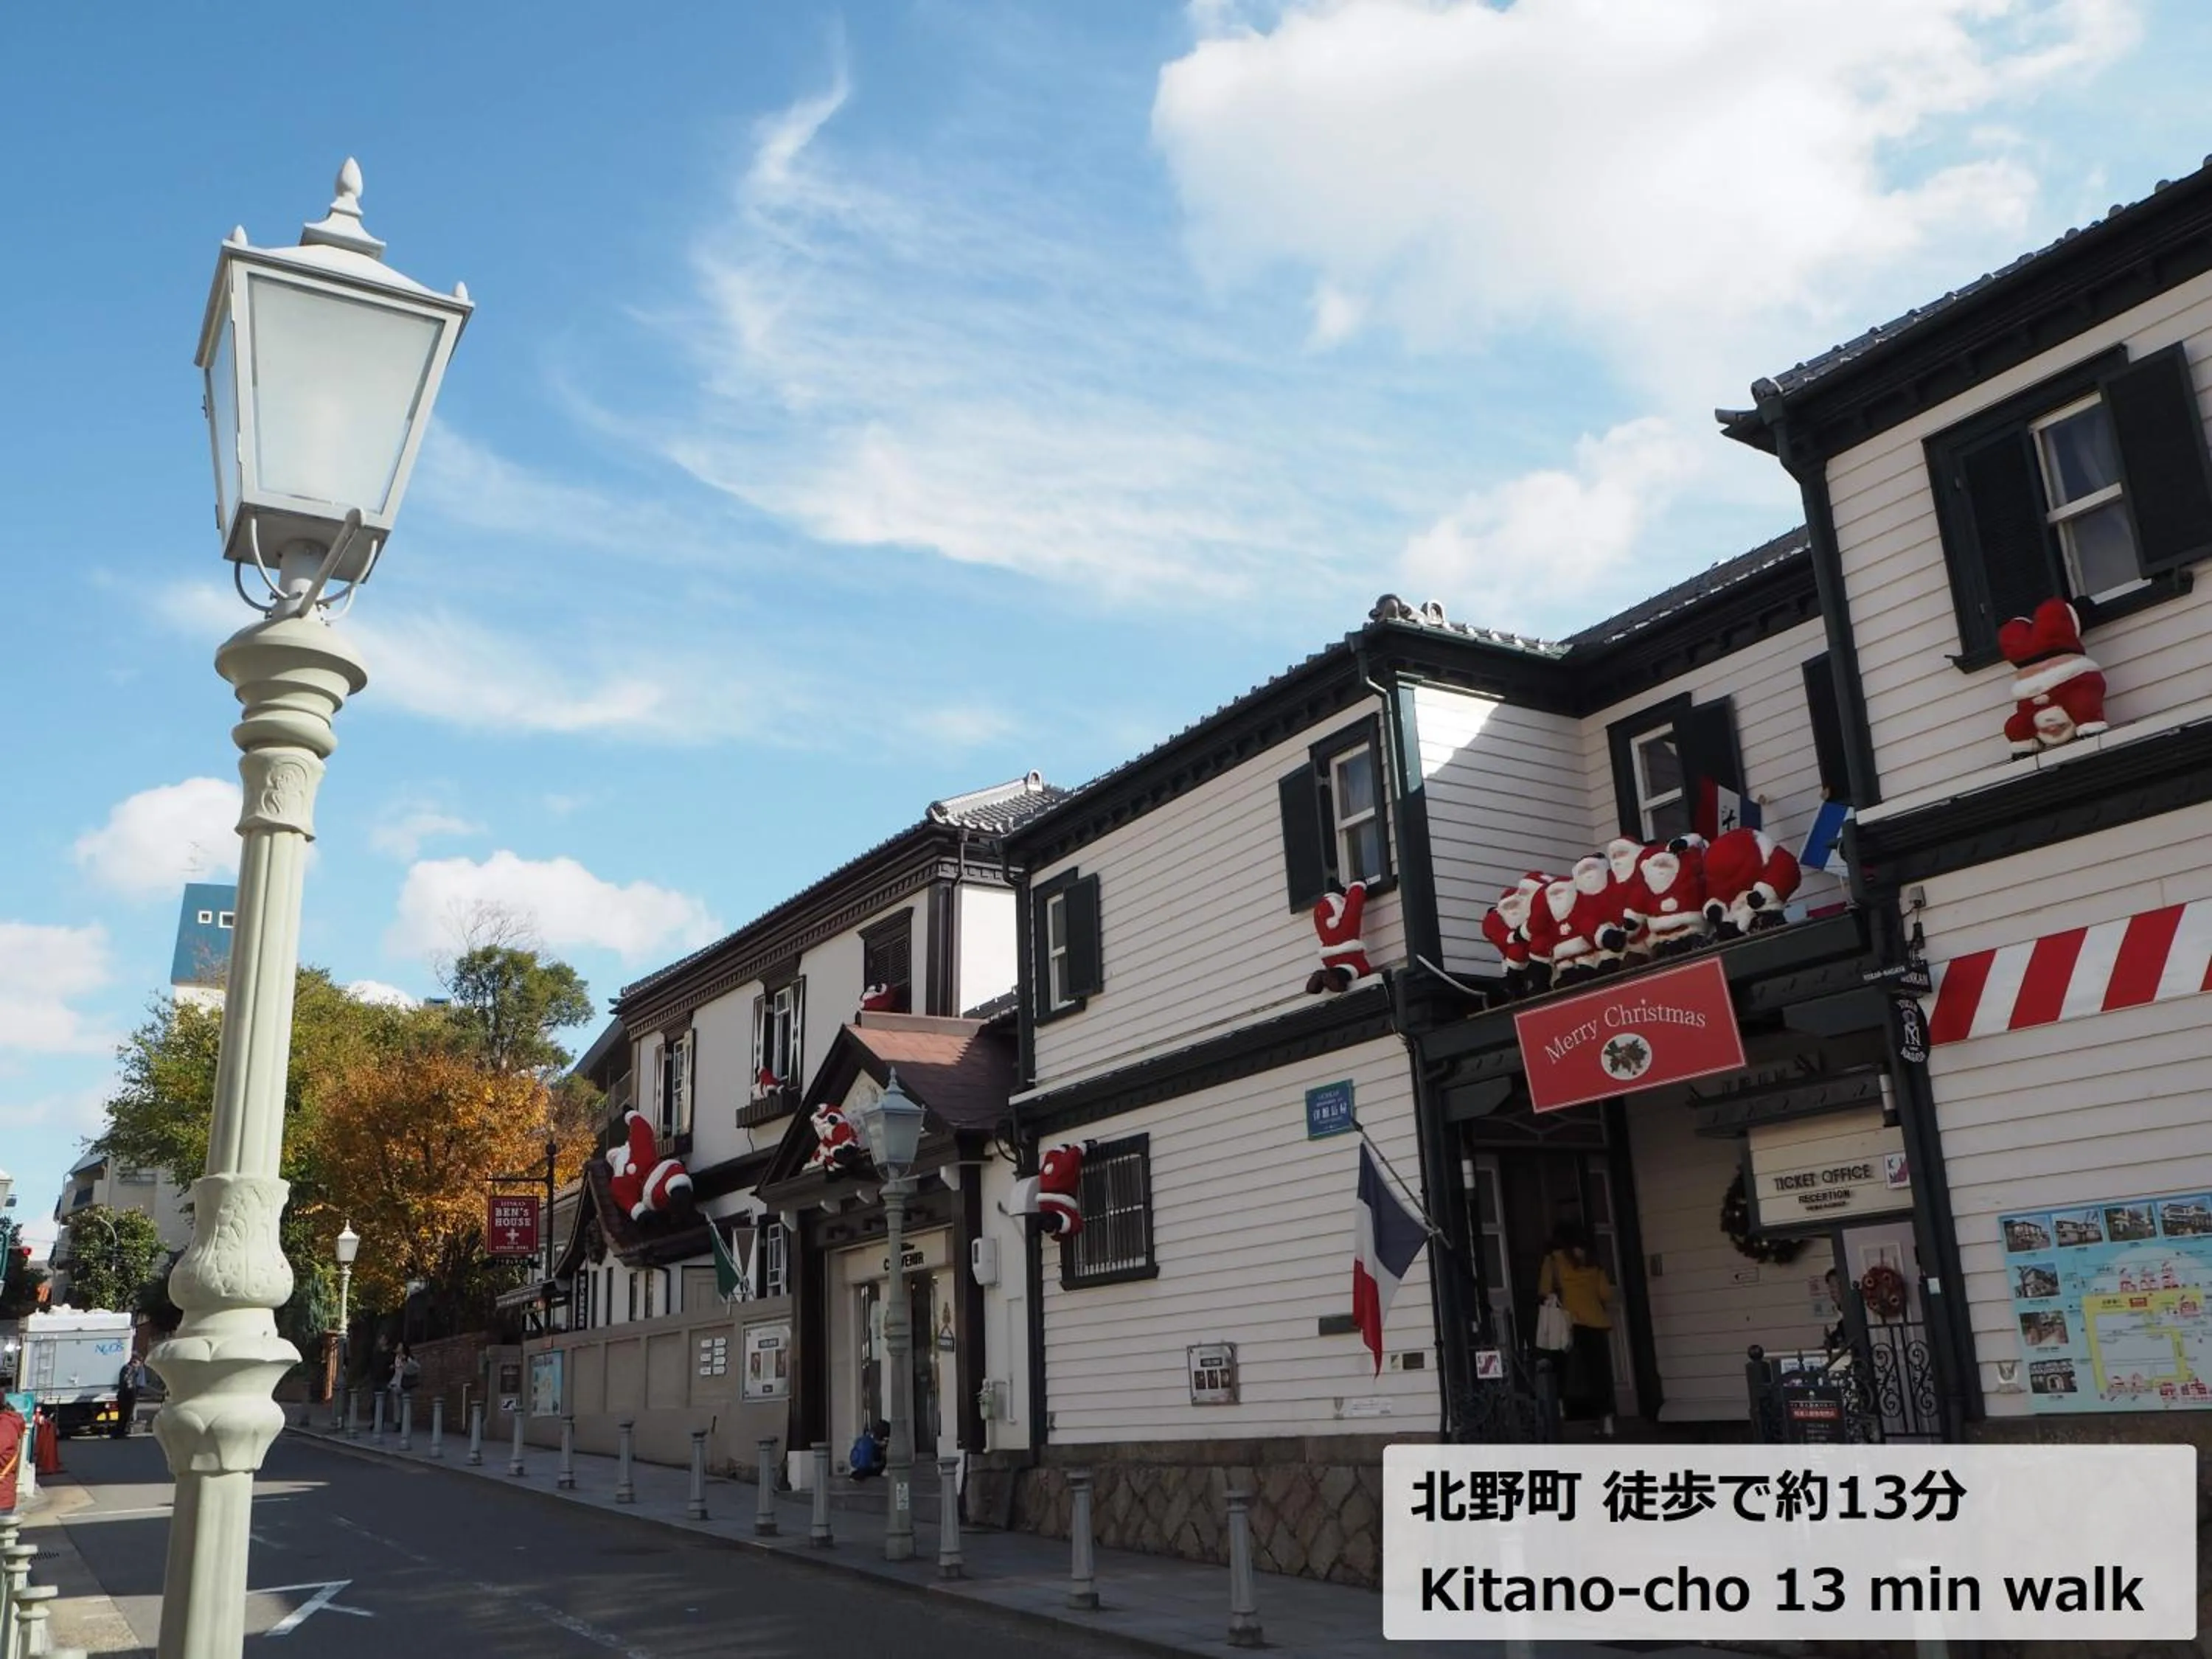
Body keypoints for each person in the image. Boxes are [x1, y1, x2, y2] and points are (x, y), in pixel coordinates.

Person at [1537, 1221, 1616, 1436]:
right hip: (1594, 1321)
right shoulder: (1592, 1261)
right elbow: (1605, 1294)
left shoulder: (1553, 1260)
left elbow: (1544, 1290)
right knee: (1599, 1373)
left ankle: (1559, 1410)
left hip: (1564, 1321)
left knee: (1559, 1369)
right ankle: (1607, 1420)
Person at [114, 1352, 148, 1440]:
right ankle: (120, 1433)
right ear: (135, 1361)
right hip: (127, 1396)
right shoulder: (129, 1369)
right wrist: (132, 1391)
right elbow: (128, 1383)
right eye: (139, 1363)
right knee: (125, 1415)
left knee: (124, 1415)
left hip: (124, 1395)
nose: (139, 1365)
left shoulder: (128, 1368)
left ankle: (119, 1432)